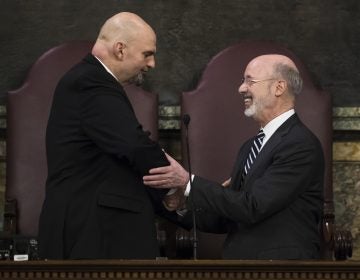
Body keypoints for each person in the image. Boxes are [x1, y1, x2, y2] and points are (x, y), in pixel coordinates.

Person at [143, 54, 325, 260]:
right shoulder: (250, 147)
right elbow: (229, 216)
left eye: (250, 81)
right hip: (239, 266)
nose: (241, 88)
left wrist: (188, 181)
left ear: (279, 87)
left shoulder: (299, 144)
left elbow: (253, 206)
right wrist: (179, 205)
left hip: (281, 268)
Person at [38, 12, 171, 260]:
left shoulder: (90, 80)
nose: (152, 64)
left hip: (96, 232)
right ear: (120, 49)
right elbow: (134, 145)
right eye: (147, 54)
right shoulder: (90, 82)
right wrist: (180, 185)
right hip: (93, 235)